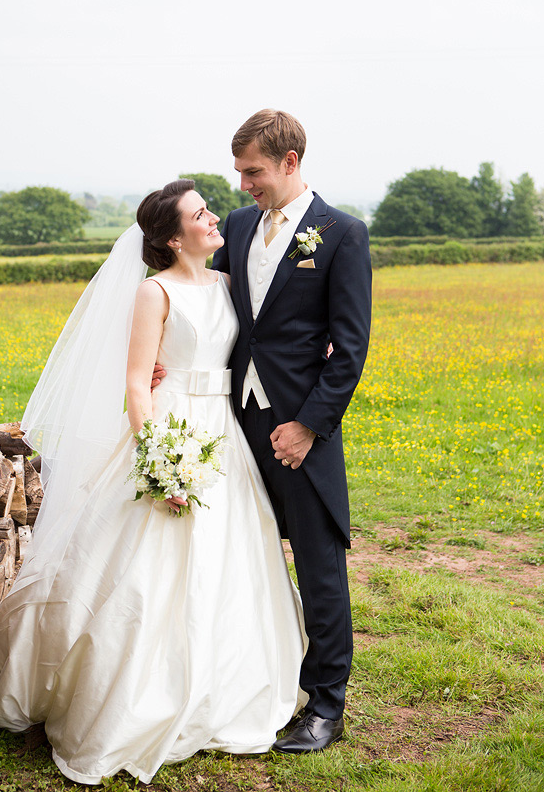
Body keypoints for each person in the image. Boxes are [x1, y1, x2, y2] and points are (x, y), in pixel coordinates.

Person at [0, 179, 306, 785]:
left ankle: (222, 686)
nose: (212, 218)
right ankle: (122, 696)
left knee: (228, 563)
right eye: (200, 214)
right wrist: (160, 463)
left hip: (221, 431)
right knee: (141, 574)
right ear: (175, 238)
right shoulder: (154, 293)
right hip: (172, 427)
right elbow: (134, 383)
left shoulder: (228, 283)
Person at [202, 109, 371, 752]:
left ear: (290, 162)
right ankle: (251, 679)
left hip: (297, 430)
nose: (244, 185)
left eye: (254, 172)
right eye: (240, 172)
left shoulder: (341, 234)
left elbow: (349, 350)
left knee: (318, 565)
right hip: (233, 420)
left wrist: (306, 425)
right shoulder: (241, 226)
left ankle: (326, 702)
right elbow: (212, 300)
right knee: (239, 555)